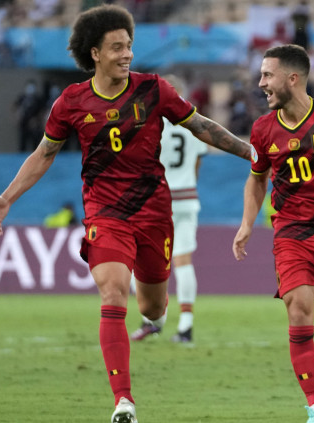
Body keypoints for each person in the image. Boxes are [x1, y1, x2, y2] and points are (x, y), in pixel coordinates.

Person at [0, 5, 251, 423]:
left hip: (154, 213)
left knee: (153, 307)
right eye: (117, 47)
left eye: (129, 45)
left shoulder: (154, 90)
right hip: (105, 212)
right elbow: (44, 154)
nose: (127, 54)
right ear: (95, 53)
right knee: (113, 292)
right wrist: (8, 198)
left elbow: (201, 126)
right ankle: (124, 402)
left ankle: (155, 313)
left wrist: (251, 152)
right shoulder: (71, 101)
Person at [232, 44, 314, 423]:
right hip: (291, 234)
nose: (261, 84)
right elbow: (257, 179)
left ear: (292, 78)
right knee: (299, 310)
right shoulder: (262, 130)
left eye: (267, 75)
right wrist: (247, 222)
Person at [129, 74, 208, 345]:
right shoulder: (194, 123)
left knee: (137, 262)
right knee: (183, 262)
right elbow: (197, 165)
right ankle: (185, 327)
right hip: (186, 198)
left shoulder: (150, 123)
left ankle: (153, 320)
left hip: (156, 200)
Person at [13, 79, 44, 152]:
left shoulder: (38, 99)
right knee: (23, 144)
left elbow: (42, 111)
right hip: (24, 124)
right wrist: (17, 116)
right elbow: (14, 107)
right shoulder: (22, 98)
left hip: (34, 125)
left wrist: (37, 120)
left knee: (35, 144)